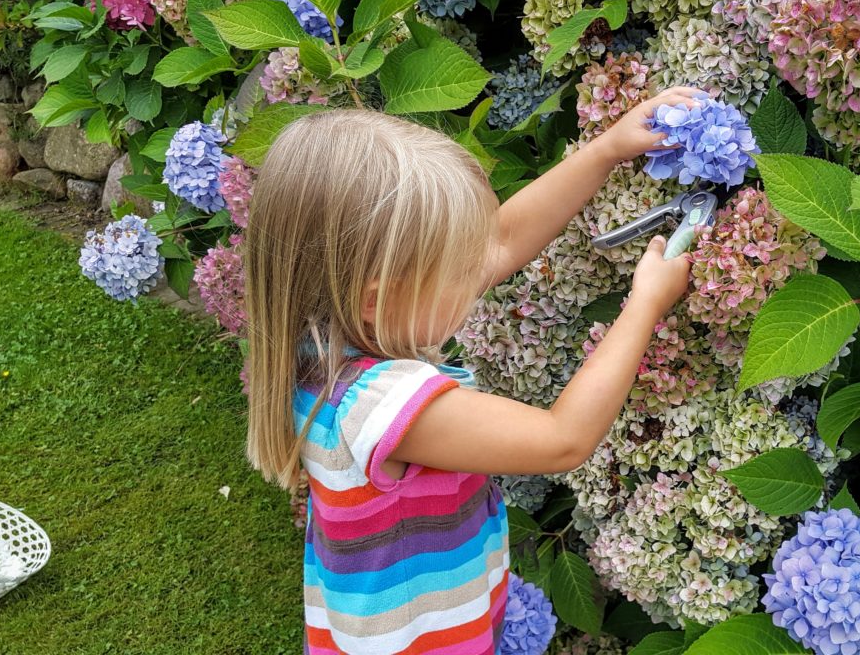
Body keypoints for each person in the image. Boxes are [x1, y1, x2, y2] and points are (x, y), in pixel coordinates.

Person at [243, 86, 699, 655]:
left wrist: (606, 149)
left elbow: (502, 240)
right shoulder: (385, 405)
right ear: (376, 297)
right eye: (459, 269)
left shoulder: (312, 344)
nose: (481, 273)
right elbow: (562, 440)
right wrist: (645, 305)